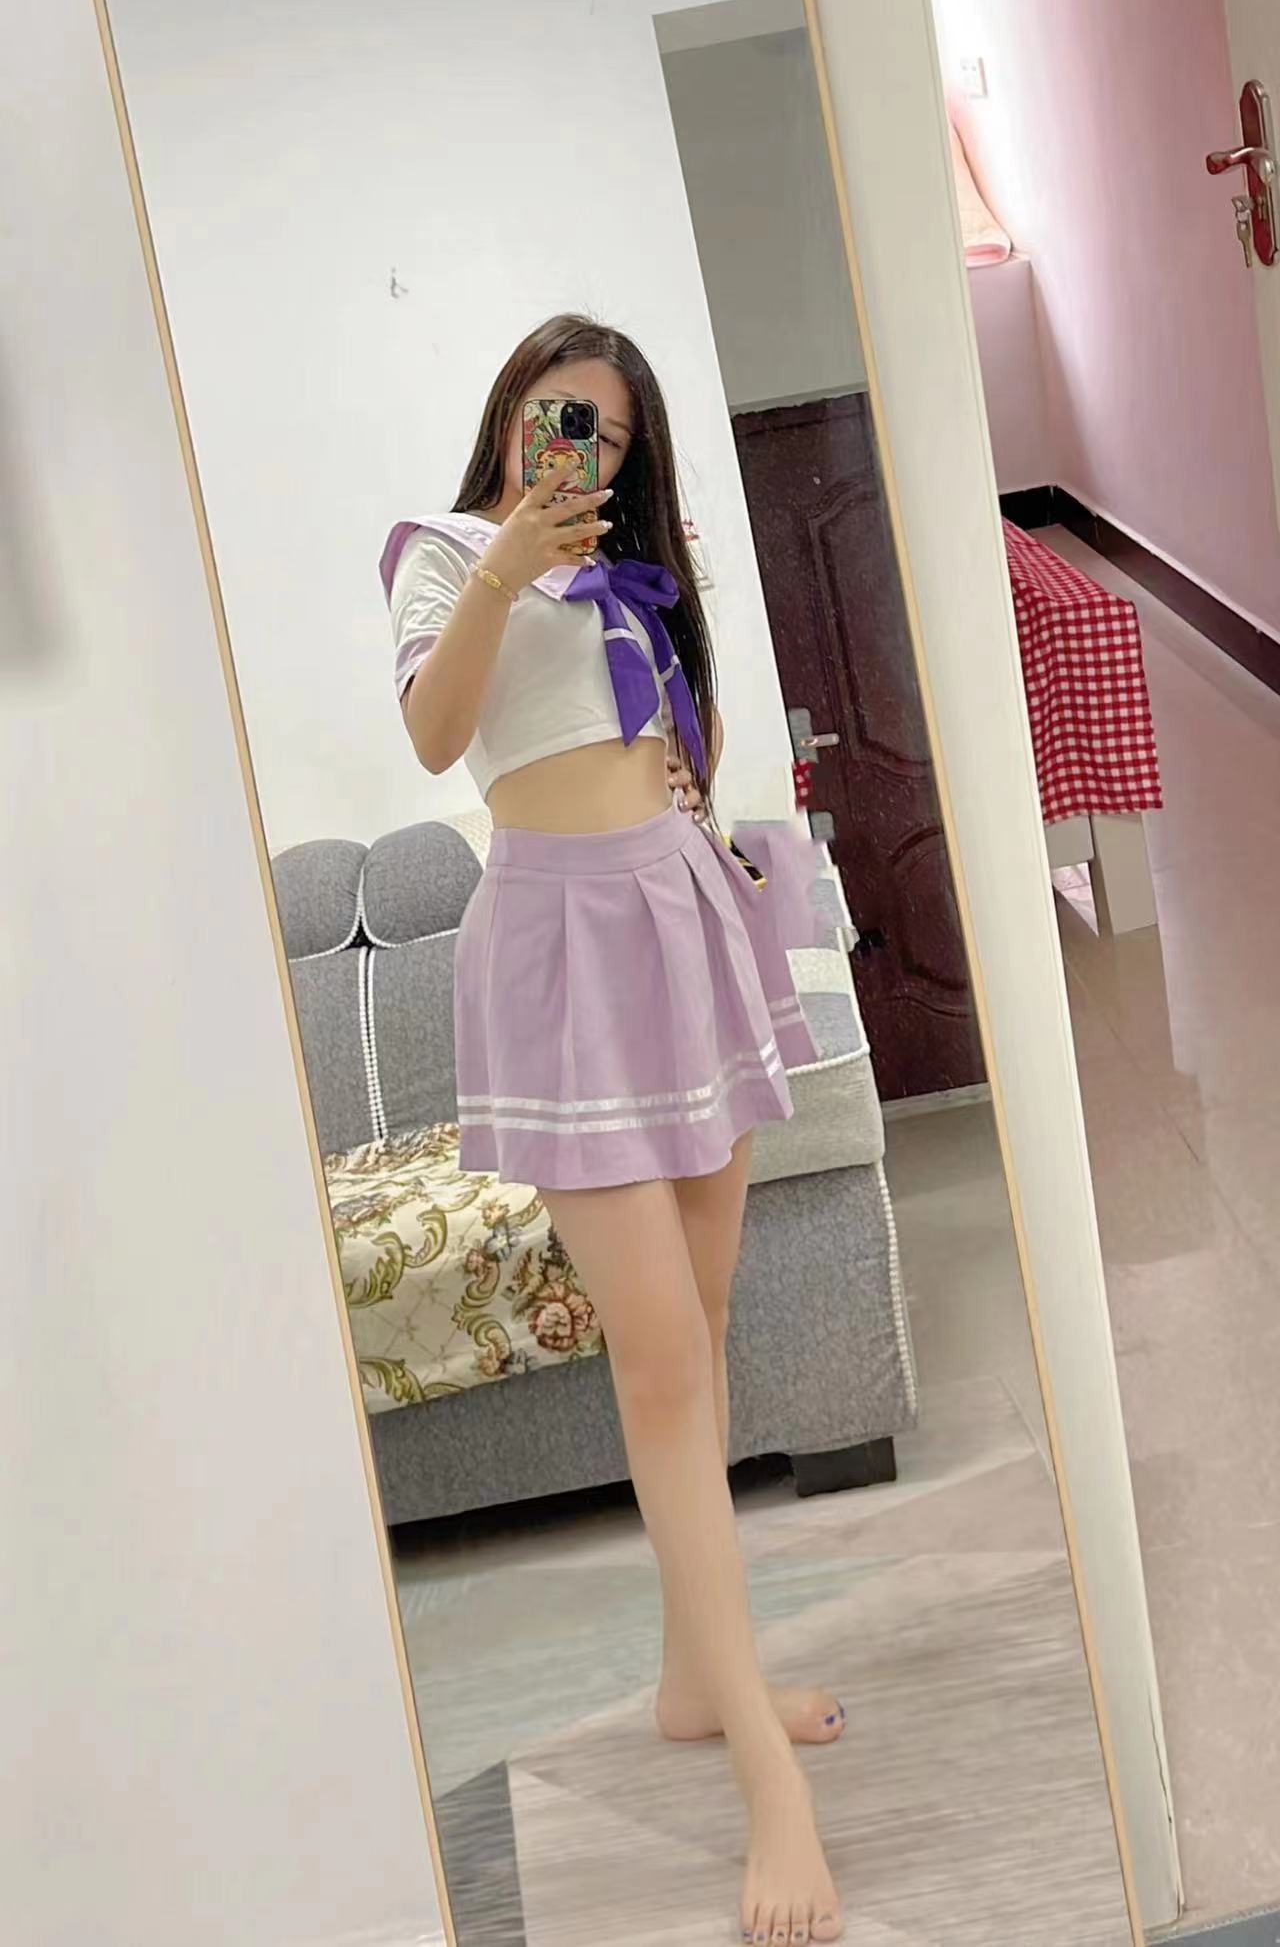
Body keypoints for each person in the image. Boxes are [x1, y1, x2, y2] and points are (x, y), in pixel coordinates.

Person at [381, 313, 843, 1947]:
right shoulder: (439, 555)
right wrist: (510, 564)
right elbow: (437, 735)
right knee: (657, 1365)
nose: (579, 447)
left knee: (697, 1340)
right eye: (559, 412)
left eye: (611, 436)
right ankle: (768, 1794)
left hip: (678, 924)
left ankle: (692, 1681)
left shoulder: (634, 580)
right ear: (511, 407)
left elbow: (671, 762)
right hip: (559, 949)